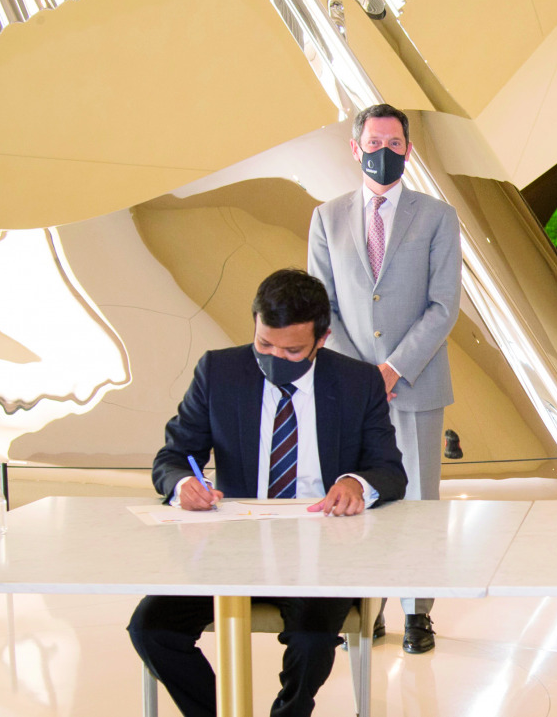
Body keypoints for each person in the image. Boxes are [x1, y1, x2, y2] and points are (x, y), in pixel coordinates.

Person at [127, 269, 406, 717]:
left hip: (322, 546)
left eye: (292, 350)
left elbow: (389, 470)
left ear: (322, 338)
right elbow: (172, 457)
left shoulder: (358, 383)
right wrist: (183, 485)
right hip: (232, 545)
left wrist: (356, 483)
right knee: (150, 628)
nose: (275, 356)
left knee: (313, 642)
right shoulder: (219, 371)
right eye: (264, 345)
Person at [308, 103, 460, 653]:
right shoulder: (327, 218)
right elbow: (322, 307)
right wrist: (362, 376)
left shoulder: (438, 216)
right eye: (374, 143)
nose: (383, 153)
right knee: (355, 497)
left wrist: (393, 368)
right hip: (350, 389)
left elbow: (444, 306)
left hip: (416, 382)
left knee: (419, 500)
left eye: (394, 145)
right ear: (355, 148)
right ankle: (364, 605)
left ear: (408, 150)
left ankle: (418, 613)